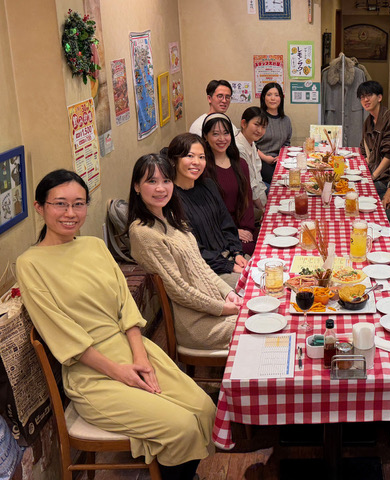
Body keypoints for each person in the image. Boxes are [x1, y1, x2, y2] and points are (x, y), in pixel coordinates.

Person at [16, 170, 215, 480]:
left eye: (78, 204)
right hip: (92, 372)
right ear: (40, 207)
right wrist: (120, 372)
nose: (70, 213)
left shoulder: (94, 246)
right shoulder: (30, 264)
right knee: (182, 426)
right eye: (60, 204)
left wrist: (140, 357)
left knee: (204, 408)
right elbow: (63, 335)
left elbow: (126, 305)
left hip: (134, 350)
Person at [127, 154, 241, 350]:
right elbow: (178, 289)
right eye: (152, 181)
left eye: (166, 180)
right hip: (198, 324)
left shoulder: (171, 217)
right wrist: (222, 308)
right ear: (137, 186)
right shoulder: (143, 233)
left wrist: (227, 292)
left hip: (214, 305)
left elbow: (201, 266)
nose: (161, 188)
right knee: (262, 324)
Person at [168, 132, 248, 288]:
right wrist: (228, 266)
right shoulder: (171, 199)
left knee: (272, 272)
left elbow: (227, 224)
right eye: (190, 156)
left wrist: (237, 252)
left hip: (229, 258)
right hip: (207, 271)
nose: (196, 162)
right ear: (174, 160)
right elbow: (193, 250)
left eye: (201, 157)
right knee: (256, 286)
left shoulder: (208, 185)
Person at [202, 113, 256, 255]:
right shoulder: (202, 169)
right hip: (218, 234)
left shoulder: (240, 164)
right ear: (205, 136)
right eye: (215, 134)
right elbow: (205, 213)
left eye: (226, 133)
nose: (222, 139)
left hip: (242, 230)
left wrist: (247, 229)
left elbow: (247, 200)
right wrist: (233, 231)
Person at [357, 80, 390, 197]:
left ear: (379, 97)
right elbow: (364, 150)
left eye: (369, 95)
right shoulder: (368, 121)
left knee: (359, 192)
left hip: (389, 176)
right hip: (375, 171)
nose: (365, 100)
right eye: (362, 97)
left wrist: (373, 176)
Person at [255, 82, 292, 185]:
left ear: (281, 98)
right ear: (263, 97)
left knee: (292, 178)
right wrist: (265, 158)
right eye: (269, 95)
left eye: (276, 95)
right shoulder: (258, 118)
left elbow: (287, 143)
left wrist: (281, 157)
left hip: (279, 160)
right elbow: (250, 143)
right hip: (260, 159)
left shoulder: (286, 120)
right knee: (277, 181)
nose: (273, 98)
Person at [236, 106, 269, 220]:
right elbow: (250, 183)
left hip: (258, 198)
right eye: (256, 125)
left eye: (263, 127)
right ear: (244, 123)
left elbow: (257, 175)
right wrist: (262, 209)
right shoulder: (239, 148)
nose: (260, 130)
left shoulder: (251, 142)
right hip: (245, 204)